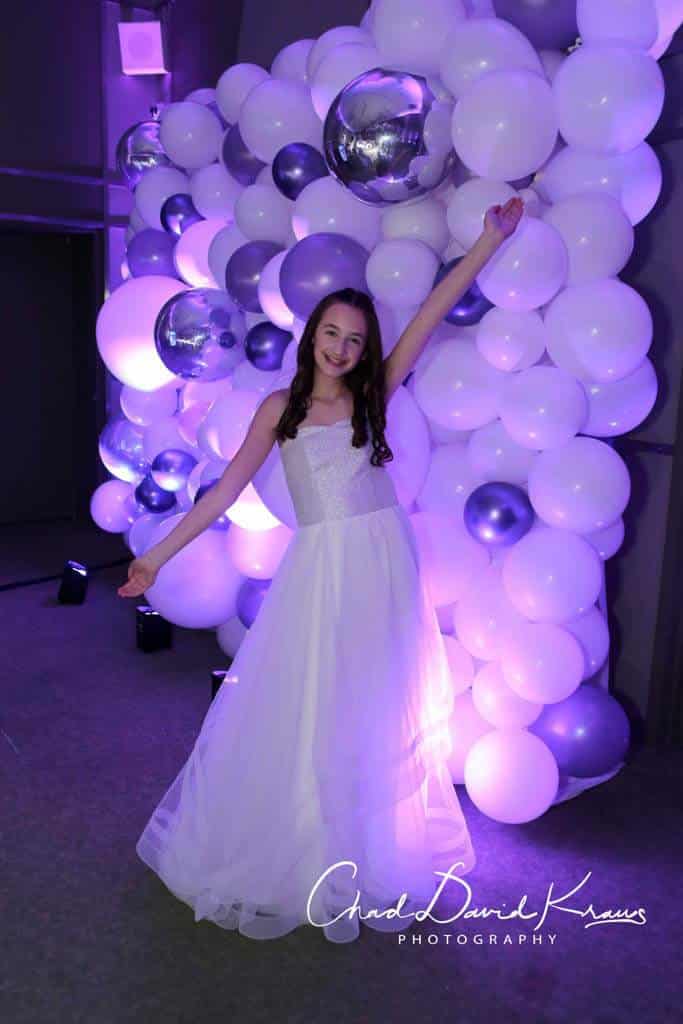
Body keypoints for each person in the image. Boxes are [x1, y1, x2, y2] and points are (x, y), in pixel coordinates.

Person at [118, 197, 524, 943]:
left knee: (377, 698)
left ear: (366, 351)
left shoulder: (373, 394)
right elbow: (223, 493)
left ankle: (369, 845)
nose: (340, 347)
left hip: (384, 566)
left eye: (354, 339)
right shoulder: (281, 407)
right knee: (312, 702)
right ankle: (303, 842)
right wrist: (153, 555)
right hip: (324, 571)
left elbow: (433, 309)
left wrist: (487, 242)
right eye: (330, 333)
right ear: (312, 337)